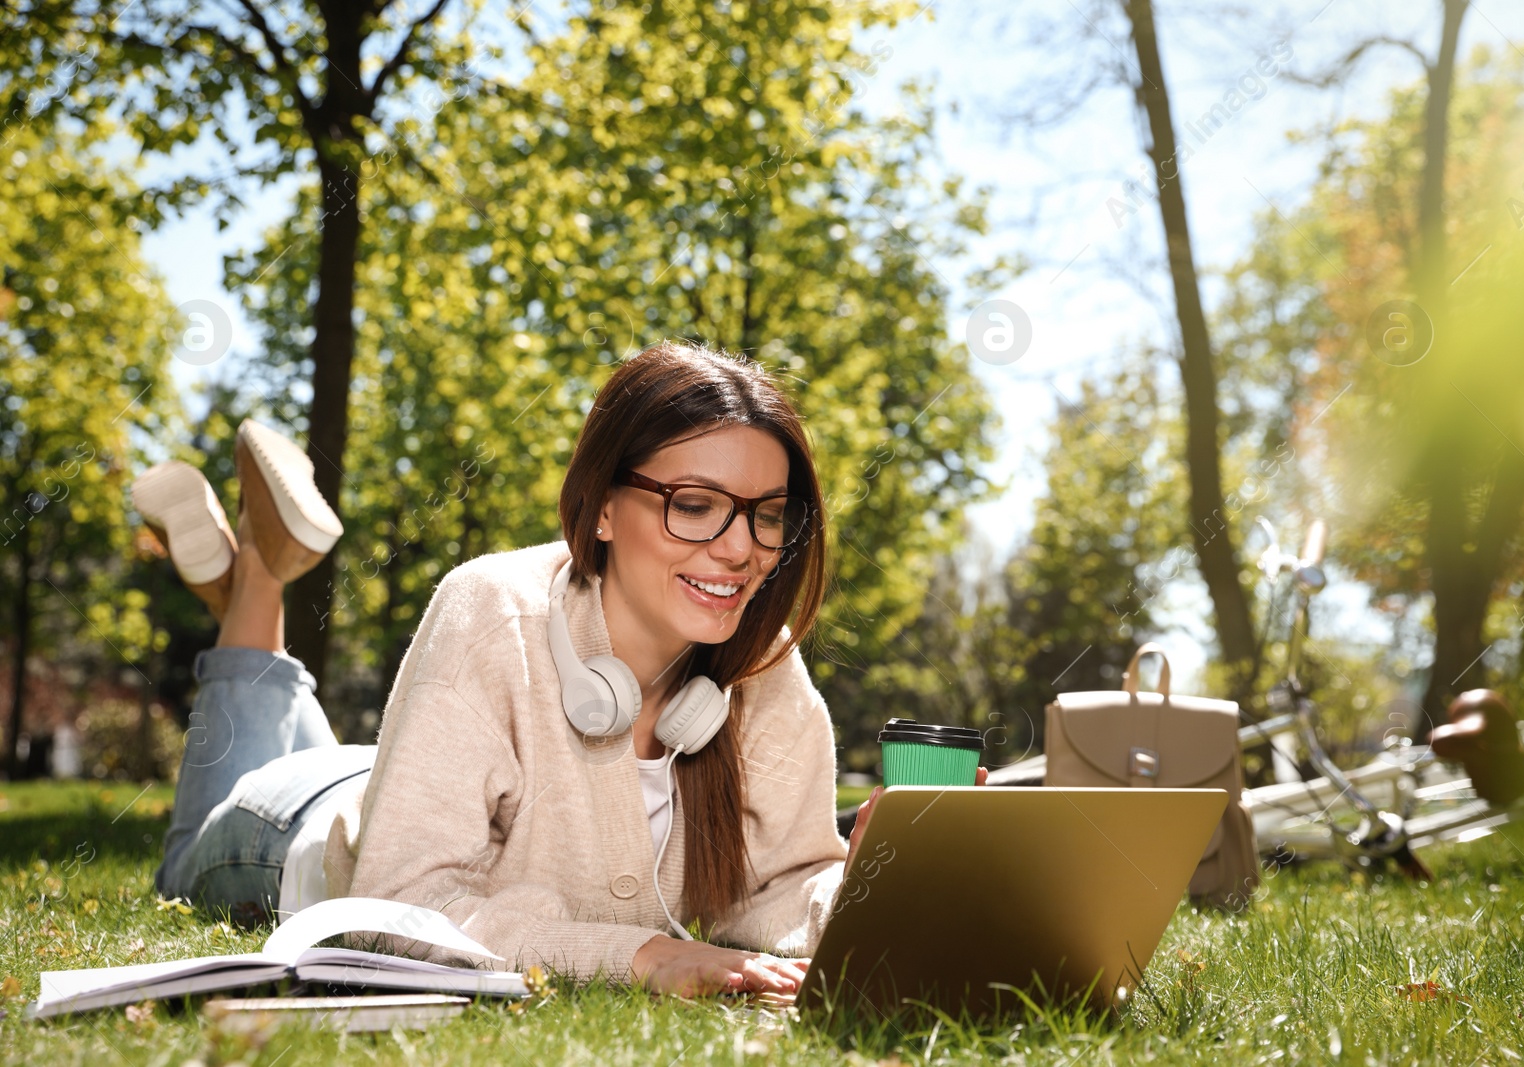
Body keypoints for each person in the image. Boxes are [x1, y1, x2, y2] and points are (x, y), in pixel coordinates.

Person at [140, 341, 984, 1002]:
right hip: (294, 825)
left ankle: (247, 575)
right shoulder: (490, 610)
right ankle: (257, 574)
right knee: (184, 855)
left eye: (768, 515)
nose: (740, 548)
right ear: (605, 507)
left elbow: (775, 888)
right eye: (694, 504)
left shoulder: (761, 666)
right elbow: (399, 898)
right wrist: (639, 955)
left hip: (407, 769)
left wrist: (873, 881)